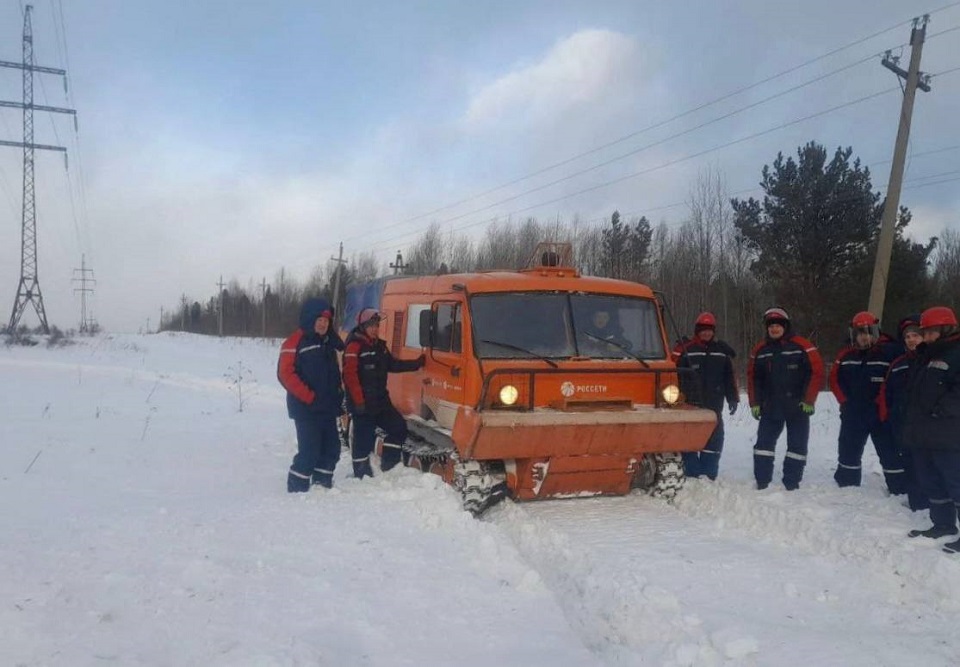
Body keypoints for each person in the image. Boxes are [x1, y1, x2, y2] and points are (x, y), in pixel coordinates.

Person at [902, 306, 960, 553]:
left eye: (930, 332)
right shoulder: (924, 356)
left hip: (947, 432)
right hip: (923, 432)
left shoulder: (956, 353)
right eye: (924, 332)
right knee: (931, 481)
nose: (925, 337)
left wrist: (941, 408)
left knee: (955, 483)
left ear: (947, 329)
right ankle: (943, 524)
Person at [747, 307, 824, 490]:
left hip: (797, 406)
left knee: (797, 446)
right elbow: (752, 377)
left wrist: (809, 400)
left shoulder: (802, 345)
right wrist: (755, 403)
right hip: (770, 406)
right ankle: (762, 480)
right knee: (763, 446)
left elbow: (817, 372)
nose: (774, 329)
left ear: (785, 326)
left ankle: (792, 481)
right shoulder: (760, 349)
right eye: (771, 326)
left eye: (778, 325)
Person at [829, 311, 906, 495]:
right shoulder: (846, 354)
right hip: (853, 412)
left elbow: (893, 381)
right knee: (848, 449)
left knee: (890, 452)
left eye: (868, 332)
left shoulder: (890, 351)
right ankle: (847, 486)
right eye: (860, 333)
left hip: (881, 414)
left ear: (875, 331)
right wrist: (844, 402)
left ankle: (899, 488)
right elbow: (834, 379)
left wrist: (884, 405)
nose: (864, 337)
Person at [343, 308, 425, 478]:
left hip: (381, 402)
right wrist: (359, 402)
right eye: (371, 325)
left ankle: (389, 463)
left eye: (377, 325)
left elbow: (393, 365)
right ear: (363, 326)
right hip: (363, 405)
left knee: (398, 428)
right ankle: (361, 475)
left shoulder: (380, 346)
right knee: (362, 441)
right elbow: (350, 376)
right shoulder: (354, 346)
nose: (375, 329)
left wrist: (416, 364)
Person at [277, 297, 345, 492]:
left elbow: (336, 371)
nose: (324, 324)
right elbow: (285, 374)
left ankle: (322, 485)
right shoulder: (295, 341)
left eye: (327, 320)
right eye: (320, 319)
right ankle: (297, 489)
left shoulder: (329, 342)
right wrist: (309, 397)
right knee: (310, 452)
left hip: (327, 407)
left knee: (332, 449)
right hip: (306, 408)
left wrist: (338, 394)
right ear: (310, 319)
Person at [674, 312, 739, 479]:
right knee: (688, 439)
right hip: (690, 405)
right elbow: (672, 373)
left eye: (709, 330)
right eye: (703, 329)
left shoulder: (721, 351)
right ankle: (691, 473)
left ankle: (709, 474)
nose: (706, 333)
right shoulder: (685, 349)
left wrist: (732, 397)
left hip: (714, 404)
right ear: (697, 330)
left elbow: (729, 377)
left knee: (714, 439)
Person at [878, 315, 929, 510]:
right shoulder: (898, 364)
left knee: (928, 464)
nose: (911, 340)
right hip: (902, 423)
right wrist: (886, 414)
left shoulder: (932, 360)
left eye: (916, 335)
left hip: (928, 424)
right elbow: (885, 392)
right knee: (909, 461)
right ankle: (917, 503)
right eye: (907, 337)